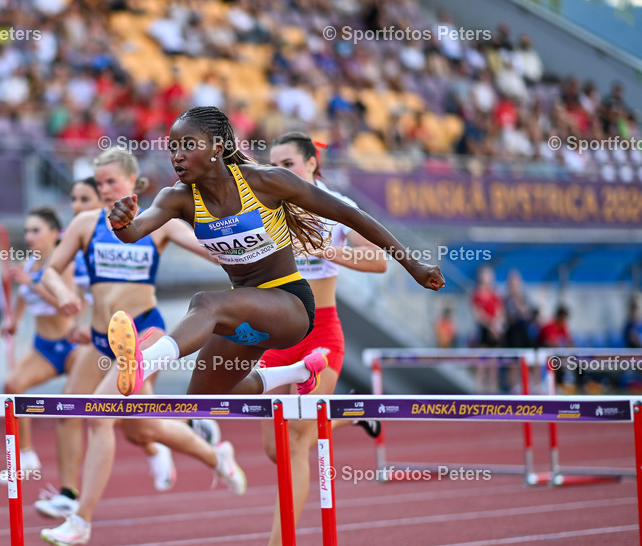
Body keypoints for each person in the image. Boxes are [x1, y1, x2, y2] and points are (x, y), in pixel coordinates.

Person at [104, 106, 443, 401]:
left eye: (188, 145)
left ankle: (145, 362)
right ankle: (295, 373)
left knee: (205, 303)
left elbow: (351, 216)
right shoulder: (175, 198)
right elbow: (135, 232)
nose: (177, 155)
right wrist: (121, 222)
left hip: (290, 306)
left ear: (217, 148)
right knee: (202, 398)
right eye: (172, 147)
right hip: (246, 311)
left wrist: (412, 264)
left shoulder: (266, 182)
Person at [38, 147, 246, 546]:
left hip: (142, 339)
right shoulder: (85, 223)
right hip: (102, 343)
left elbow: (210, 249)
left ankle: (81, 520)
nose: (104, 190)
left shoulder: (159, 223)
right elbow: (50, 271)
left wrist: (247, 246)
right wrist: (62, 293)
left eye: (111, 182)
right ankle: (217, 455)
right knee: (141, 428)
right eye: (99, 184)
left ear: (133, 182)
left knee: (98, 417)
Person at [232, 131, 387, 546]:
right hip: (277, 335)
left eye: (289, 163)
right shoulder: (263, 206)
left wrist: (324, 249)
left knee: (298, 440)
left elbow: (378, 260)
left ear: (312, 166)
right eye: (273, 163)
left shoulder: (336, 206)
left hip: (321, 333)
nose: (279, 170)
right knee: (273, 448)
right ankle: (355, 411)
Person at [0, 207, 86, 476]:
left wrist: (34, 283)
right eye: (26, 230)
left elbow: (69, 308)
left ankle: (153, 444)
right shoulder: (28, 264)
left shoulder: (65, 265)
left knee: (104, 406)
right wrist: (13, 320)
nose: (29, 236)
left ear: (54, 234)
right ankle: (26, 455)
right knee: (12, 386)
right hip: (43, 348)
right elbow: (23, 296)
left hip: (72, 347)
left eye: (35, 230)